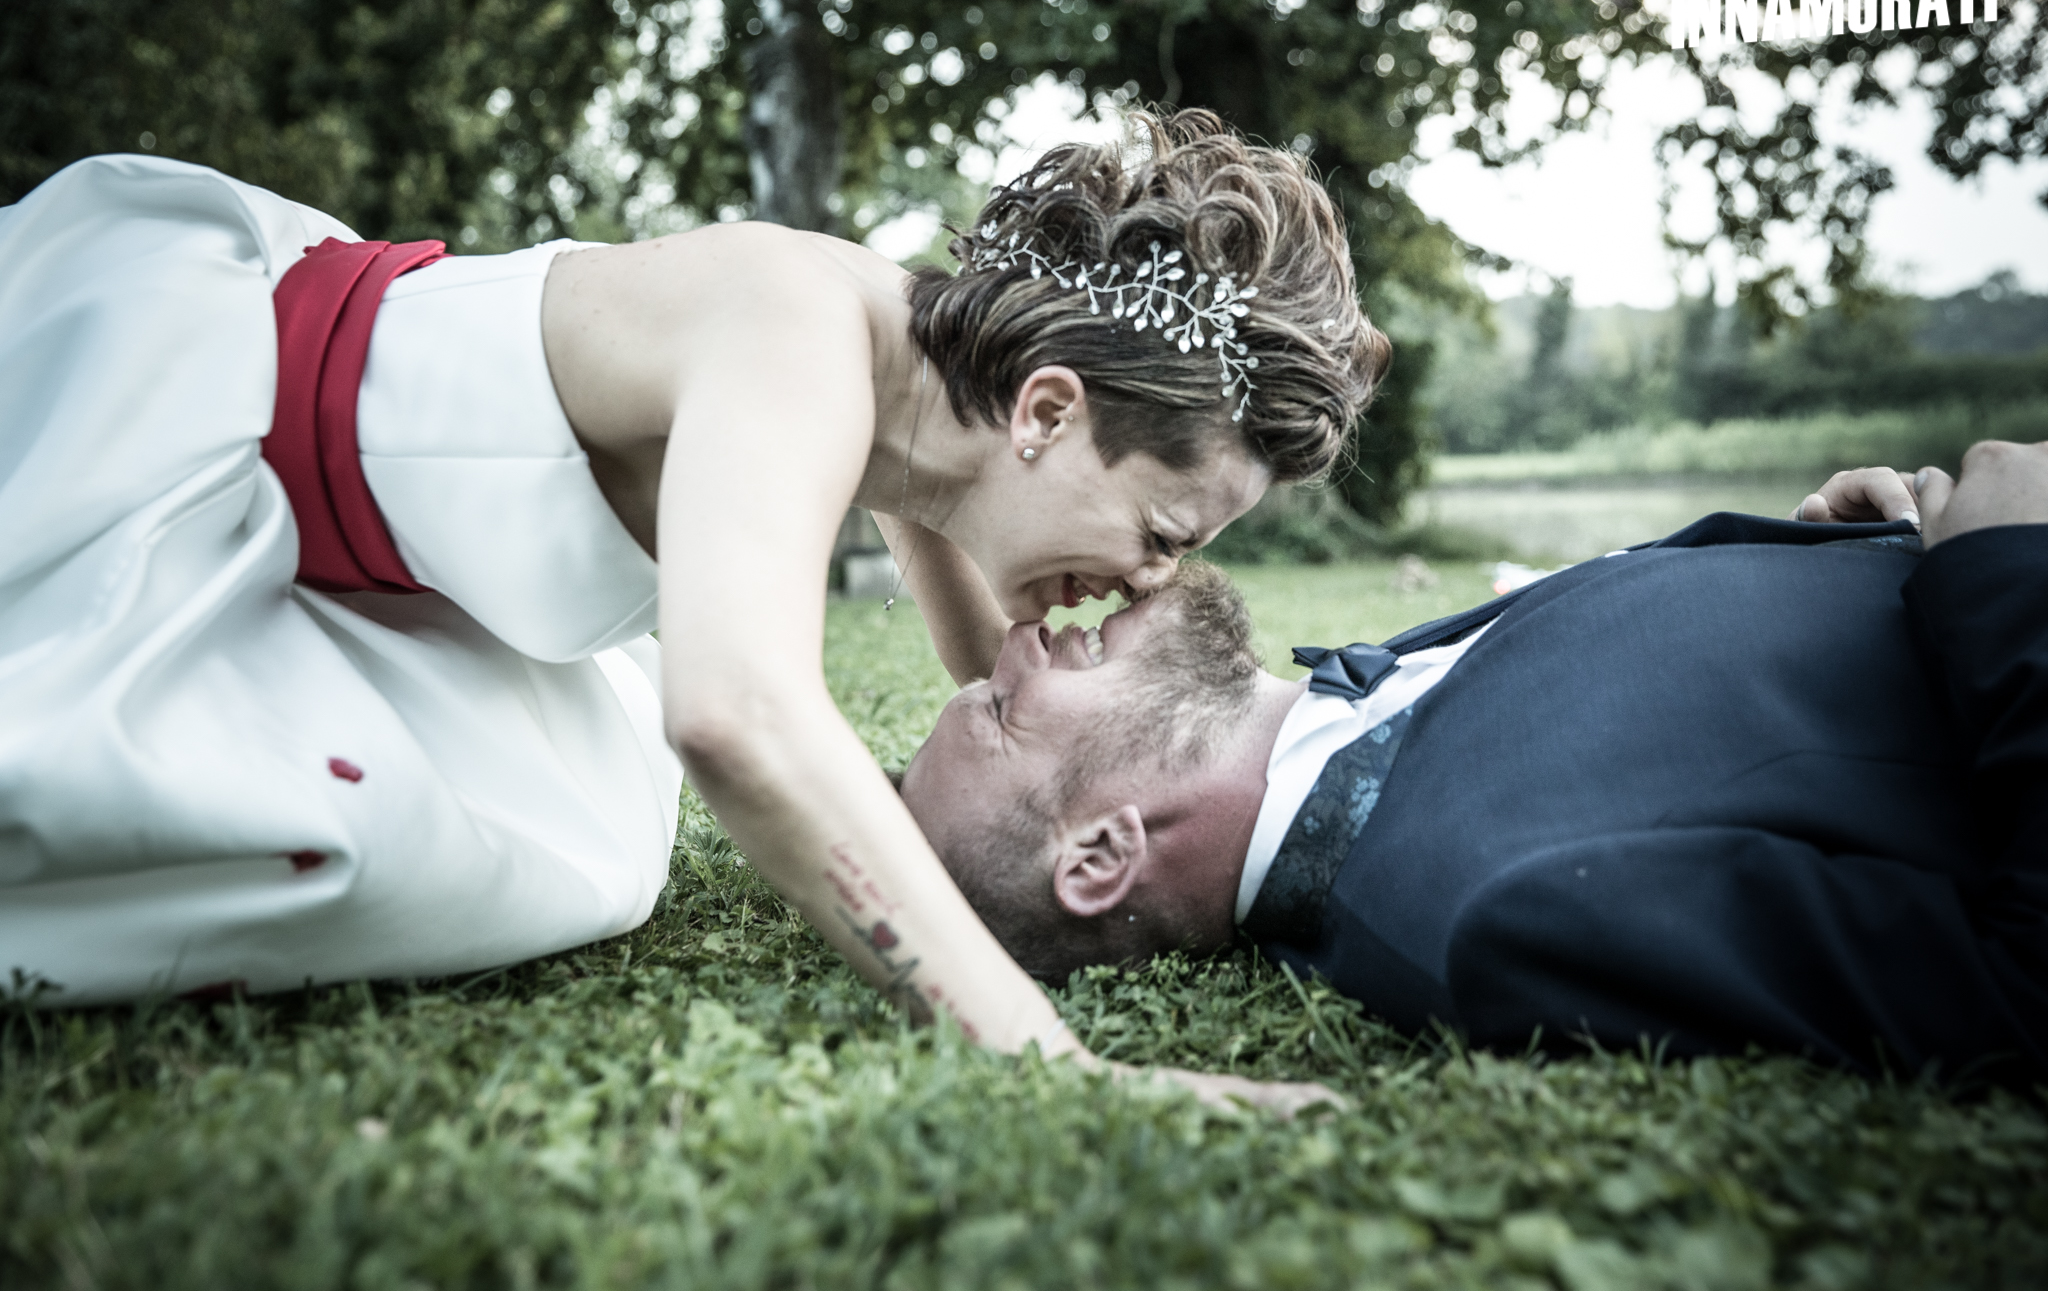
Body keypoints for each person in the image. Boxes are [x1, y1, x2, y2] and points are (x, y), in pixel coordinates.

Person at [0, 111, 1386, 1107]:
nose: (1153, 582)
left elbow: (993, 668)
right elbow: (732, 712)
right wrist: (1045, 1054)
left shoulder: (920, 390)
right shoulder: (798, 335)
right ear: (1046, 408)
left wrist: (1072, 745)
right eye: (1160, 533)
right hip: (196, 428)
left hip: (395, 570)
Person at [901, 443, 2048, 1086]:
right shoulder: (1496, 911)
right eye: (1002, 708)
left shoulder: (1362, 710)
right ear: (1101, 853)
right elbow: (2018, 991)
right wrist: (2006, 581)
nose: (1015, 637)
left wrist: (1829, 549)